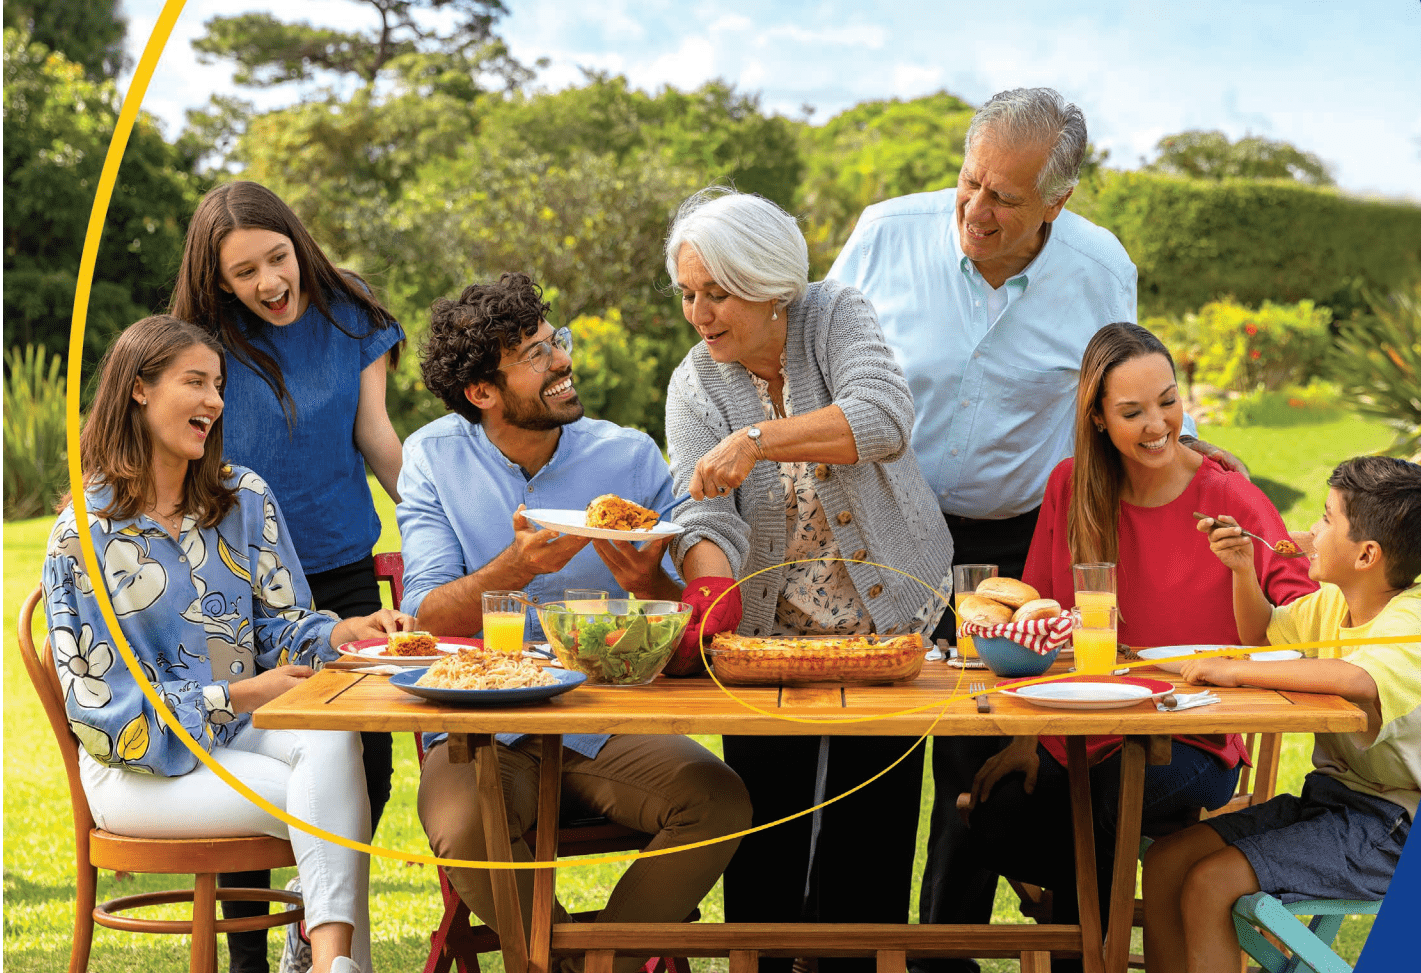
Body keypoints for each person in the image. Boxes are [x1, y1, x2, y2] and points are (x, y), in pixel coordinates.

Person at [827, 87, 1234, 947]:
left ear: (1059, 200)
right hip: (890, 526)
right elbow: (824, 364)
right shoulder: (886, 233)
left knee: (990, 740)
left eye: (1004, 197)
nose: (975, 209)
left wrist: (1194, 454)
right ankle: (851, 955)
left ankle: (949, 953)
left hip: (1016, 536)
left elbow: (1123, 378)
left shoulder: (1096, 264)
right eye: (969, 182)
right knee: (881, 740)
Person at [397, 274, 750, 973]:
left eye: (552, 340)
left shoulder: (630, 457)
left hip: (604, 715)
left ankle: (593, 964)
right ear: (482, 393)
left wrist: (652, 582)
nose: (561, 359)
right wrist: (514, 569)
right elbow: (428, 613)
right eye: (534, 354)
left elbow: (684, 599)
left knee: (718, 800)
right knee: (467, 827)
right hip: (480, 726)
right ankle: (562, 963)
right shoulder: (433, 458)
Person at [41, 316, 416, 973]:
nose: (215, 400)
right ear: (138, 389)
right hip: (136, 768)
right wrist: (245, 692)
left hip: (234, 733)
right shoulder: (83, 536)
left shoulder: (243, 498)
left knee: (330, 742)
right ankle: (338, 962)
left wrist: (340, 633)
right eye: (195, 382)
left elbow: (282, 627)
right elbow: (110, 720)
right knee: (322, 794)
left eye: (218, 384)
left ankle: (332, 964)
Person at [658, 187, 953, 973]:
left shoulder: (834, 314)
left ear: (766, 281)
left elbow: (884, 417)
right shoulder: (695, 383)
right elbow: (706, 515)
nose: (699, 312)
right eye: (688, 294)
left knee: (871, 836)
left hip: (887, 628)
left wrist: (759, 439)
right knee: (765, 837)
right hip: (766, 639)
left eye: (716, 293)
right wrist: (708, 603)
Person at [960, 322, 1316, 970]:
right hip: (1082, 729)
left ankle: (1084, 960)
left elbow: (1299, 604)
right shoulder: (1072, 488)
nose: (1158, 423)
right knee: (995, 814)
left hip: (1195, 737)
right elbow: (1034, 620)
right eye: (1133, 411)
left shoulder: (1227, 494)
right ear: (1097, 417)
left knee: (1096, 807)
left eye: (1168, 400)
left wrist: (1250, 575)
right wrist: (1022, 736)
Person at [170, 181, 405, 973]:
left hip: (340, 576)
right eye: (245, 272)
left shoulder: (352, 314)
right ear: (217, 280)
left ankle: (316, 926)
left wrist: (445, 520)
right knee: (249, 754)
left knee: (366, 761)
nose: (270, 282)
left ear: (298, 242)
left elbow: (376, 437)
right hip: (232, 584)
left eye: (278, 258)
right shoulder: (201, 341)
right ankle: (247, 959)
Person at [1142, 456, 1421, 973]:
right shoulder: (1335, 602)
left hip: (1396, 827)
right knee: (1164, 863)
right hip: (1333, 801)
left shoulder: (1418, 621)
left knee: (1210, 882)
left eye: (1327, 518)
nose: (1312, 531)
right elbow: (1263, 632)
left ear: (1367, 555)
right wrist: (1245, 569)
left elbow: (1358, 680)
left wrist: (1234, 671)